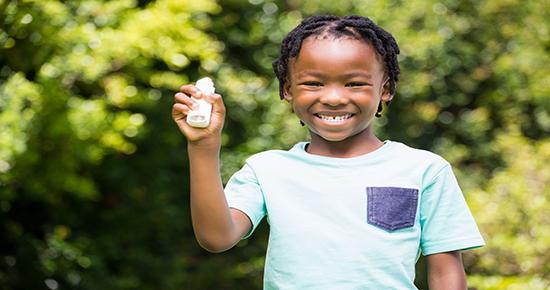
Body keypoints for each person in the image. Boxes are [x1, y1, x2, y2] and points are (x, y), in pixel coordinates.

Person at [172, 14, 485, 290]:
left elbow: (445, 272)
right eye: (313, 83)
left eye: (354, 84)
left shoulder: (424, 169)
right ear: (287, 90)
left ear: (385, 89)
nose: (334, 98)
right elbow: (216, 238)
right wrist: (202, 147)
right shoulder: (267, 170)